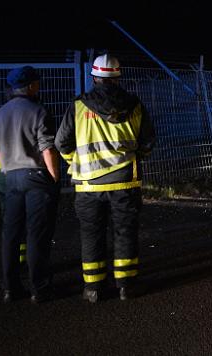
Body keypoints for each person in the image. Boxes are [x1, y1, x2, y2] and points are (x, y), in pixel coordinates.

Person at [55, 54, 155, 303]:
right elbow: (148, 142)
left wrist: (74, 162)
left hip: (88, 184)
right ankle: (126, 285)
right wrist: (135, 157)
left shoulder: (79, 106)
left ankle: (94, 288)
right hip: (125, 182)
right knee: (124, 232)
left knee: (91, 234)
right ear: (118, 76)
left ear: (94, 77)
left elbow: (61, 143)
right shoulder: (135, 105)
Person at [0, 66, 60, 303]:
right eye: (36, 83)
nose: (38, 85)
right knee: (36, 234)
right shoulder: (39, 111)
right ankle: (40, 288)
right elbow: (47, 148)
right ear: (30, 86)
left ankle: (11, 289)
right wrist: (54, 177)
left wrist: (8, 169)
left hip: (11, 178)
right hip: (36, 177)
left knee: (11, 235)